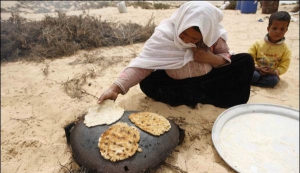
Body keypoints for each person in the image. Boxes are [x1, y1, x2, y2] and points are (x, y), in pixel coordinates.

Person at [98, 1, 254, 108]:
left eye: (194, 38)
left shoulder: (214, 37)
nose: (186, 40)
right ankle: (202, 98)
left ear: (207, 33)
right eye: (183, 33)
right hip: (180, 85)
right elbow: (142, 66)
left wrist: (211, 58)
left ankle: (197, 98)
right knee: (147, 83)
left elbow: (225, 56)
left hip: (209, 81)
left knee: (245, 61)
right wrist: (115, 89)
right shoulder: (164, 35)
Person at [248, 11, 291, 88]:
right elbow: (250, 57)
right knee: (253, 76)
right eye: (275, 28)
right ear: (268, 28)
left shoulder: (285, 49)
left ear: (286, 30)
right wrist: (256, 67)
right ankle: (254, 80)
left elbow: (285, 64)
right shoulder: (257, 44)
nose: (278, 31)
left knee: (273, 81)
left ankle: (255, 83)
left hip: (271, 73)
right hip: (257, 69)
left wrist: (275, 72)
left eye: (282, 29)